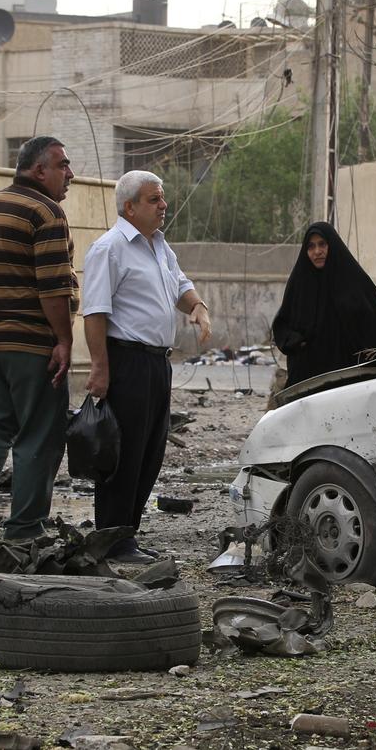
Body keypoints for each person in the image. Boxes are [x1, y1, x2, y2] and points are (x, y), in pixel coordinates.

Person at [0, 135, 77, 554]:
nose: (69, 175)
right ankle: (24, 528)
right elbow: (53, 288)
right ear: (38, 170)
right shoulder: (47, 212)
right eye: (62, 166)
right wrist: (63, 340)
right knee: (38, 434)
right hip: (30, 343)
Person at [82, 170, 211, 564]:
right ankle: (111, 541)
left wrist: (197, 306)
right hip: (127, 362)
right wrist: (101, 368)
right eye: (154, 199)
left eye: (162, 198)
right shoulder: (110, 248)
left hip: (157, 364)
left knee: (150, 453)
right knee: (123, 455)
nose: (163, 205)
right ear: (130, 206)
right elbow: (95, 312)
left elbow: (179, 283)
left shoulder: (158, 246)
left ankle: (128, 536)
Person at [272, 222, 376, 388]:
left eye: (322, 244)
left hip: (346, 375)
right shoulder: (300, 284)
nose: (317, 251)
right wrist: (298, 343)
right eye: (311, 246)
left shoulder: (352, 280)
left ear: (332, 245)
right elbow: (282, 325)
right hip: (308, 377)